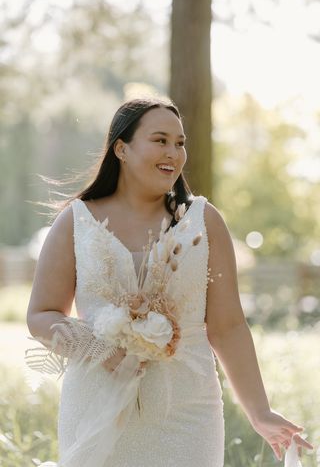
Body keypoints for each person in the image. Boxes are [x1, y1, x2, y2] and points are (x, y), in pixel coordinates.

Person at [26, 97, 313, 467]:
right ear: (121, 149)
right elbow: (41, 315)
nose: (174, 153)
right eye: (160, 140)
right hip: (97, 406)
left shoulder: (203, 222)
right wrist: (102, 350)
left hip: (188, 413)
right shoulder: (75, 222)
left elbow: (228, 328)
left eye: (180, 143)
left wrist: (259, 412)